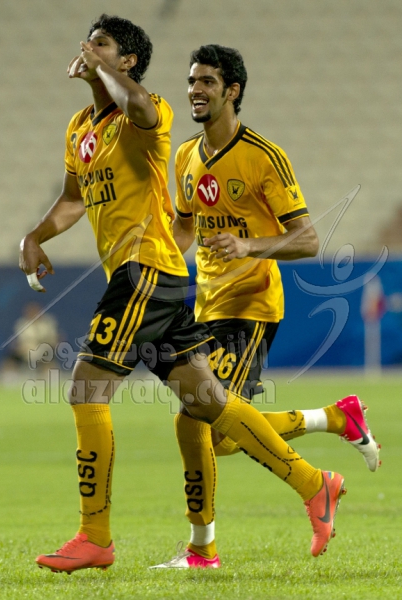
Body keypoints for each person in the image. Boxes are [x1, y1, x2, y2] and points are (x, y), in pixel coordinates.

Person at [20, 18, 346, 575]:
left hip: (144, 271)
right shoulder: (79, 127)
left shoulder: (149, 111)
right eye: (88, 41)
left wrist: (100, 70)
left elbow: (138, 106)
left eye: (102, 44)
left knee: (85, 389)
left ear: (127, 62)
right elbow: (73, 198)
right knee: (205, 404)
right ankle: (314, 484)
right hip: (163, 277)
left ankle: (94, 537)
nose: (88, 48)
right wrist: (35, 236)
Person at [151, 45, 380, 569]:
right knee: (215, 429)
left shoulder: (263, 156)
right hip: (206, 305)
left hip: (251, 305)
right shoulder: (185, 156)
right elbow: (185, 226)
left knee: (198, 421)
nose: (195, 90)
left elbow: (307, 239)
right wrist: (156, 262)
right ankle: (334, 419)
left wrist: (248, 245)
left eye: (207, 82)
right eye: (191, 81)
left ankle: (210, 546)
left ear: (232, 91)